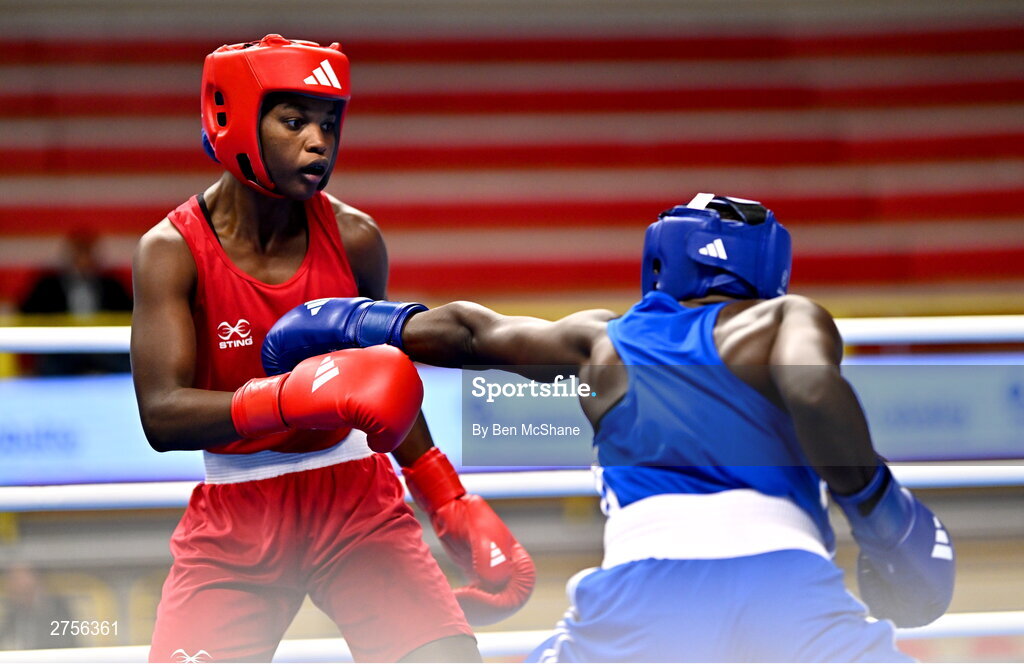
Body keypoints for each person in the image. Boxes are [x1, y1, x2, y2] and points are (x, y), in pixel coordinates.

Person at [262, 193, 956, 662]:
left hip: (639, 597)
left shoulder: (607, 340)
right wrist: (881, 515)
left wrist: (343, 320)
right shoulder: (785, 317)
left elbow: (472, 332)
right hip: (788, 587)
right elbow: (810, 387)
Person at [130, 34, 532, 663]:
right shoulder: (172, 251)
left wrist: (444, 498)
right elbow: (160, 414)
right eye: (293, 122)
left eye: (329, 122)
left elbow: (385, 385)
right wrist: (288, 400)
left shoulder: (356, 238)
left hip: (357, 504)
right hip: (237, 515)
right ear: (233, 119)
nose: (318, 141)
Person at [20, 230, 133, 375]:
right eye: (79, 252)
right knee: (48, 370)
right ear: (69, 255)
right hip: (61, 350)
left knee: (127, 370)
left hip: (104, 350)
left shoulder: (112, 284)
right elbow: (26, 312)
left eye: (87, 252)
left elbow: (130, 314)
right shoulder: (47, 284)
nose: (83, 258)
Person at [0, 563, 78, 650]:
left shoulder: (57, 608)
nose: (11, 584)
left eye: (16, 578)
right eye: (10, 577)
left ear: (35, 577)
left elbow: (66, 644)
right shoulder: (10, 612)